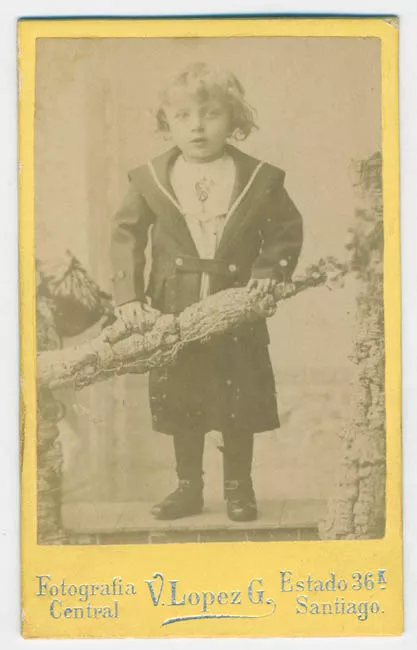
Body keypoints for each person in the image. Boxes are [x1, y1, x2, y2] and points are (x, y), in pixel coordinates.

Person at [110, 62, 303, 522]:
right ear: (166, 121)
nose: (196, 126)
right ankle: (188, 488)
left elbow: (284, 229)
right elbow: (126, 235)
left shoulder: (258, 177)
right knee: (183, 396)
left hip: (236, 302)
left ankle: (239, 488)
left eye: (210, 114)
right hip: (173, 307)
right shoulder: (150, 178)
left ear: (233, 119)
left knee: (238, 396)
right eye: (183, 116)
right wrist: (128, 296)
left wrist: (268, 271)